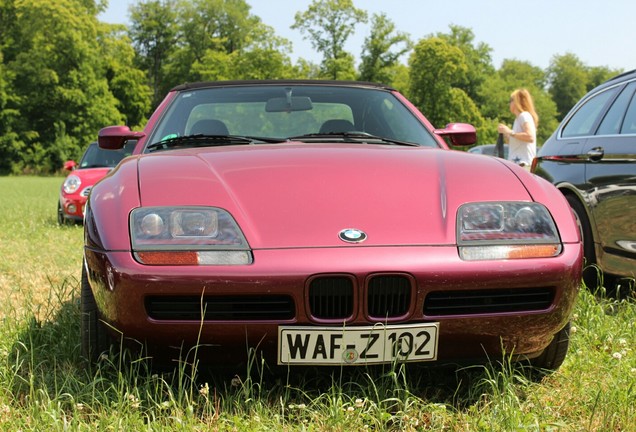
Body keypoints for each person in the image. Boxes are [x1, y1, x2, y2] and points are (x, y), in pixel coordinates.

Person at [497, 89, 539, 170]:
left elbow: (530, 137)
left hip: (523, 165)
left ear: (517, 102)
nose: (509, 103)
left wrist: (509, 132)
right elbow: (515, 142)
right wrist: (506, 133)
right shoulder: (518, 119)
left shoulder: (524, 116)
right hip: (518, 165)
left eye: (511, 100)